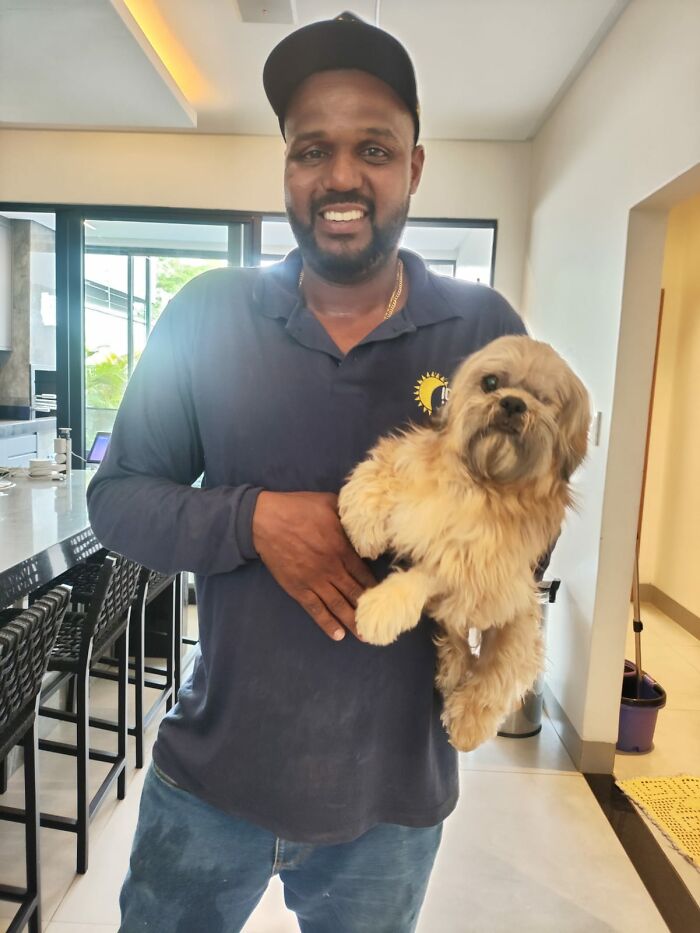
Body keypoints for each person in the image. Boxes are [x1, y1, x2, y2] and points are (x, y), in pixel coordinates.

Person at [87, 12, 527, 933]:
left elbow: (532, 520)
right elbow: (118, 500)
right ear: (286, 165)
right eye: (310, 148)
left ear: (414, 165)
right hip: (210, 778)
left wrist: (433, 530)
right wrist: (252, 521)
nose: (339, 177)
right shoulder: (205, 315)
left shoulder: (482, 329)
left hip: (389, 803)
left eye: (373, 147)